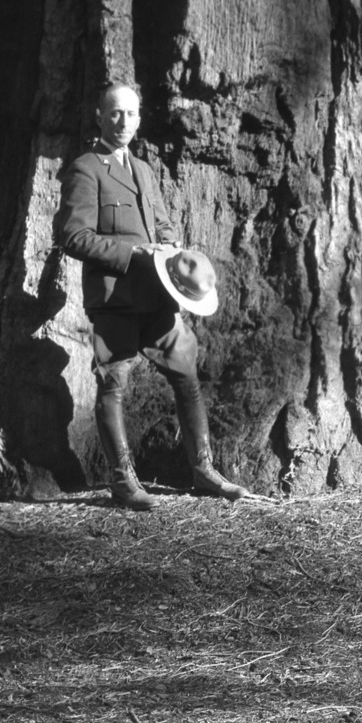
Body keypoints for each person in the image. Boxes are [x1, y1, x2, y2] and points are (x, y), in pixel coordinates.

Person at [54, 82, 246, 511]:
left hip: (159, 297)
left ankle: (204, 471)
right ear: (100, 116)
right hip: (115, 298)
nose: (124, 122)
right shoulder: (86, 168)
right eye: (116, 113)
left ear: (140, 119)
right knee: (113, 384)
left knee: (187, 376)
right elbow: (72, 237)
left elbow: (161, 225)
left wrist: (169, 248)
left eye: (132, 114)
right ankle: (123, 482)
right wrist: (134, 253)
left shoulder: (143, 169)